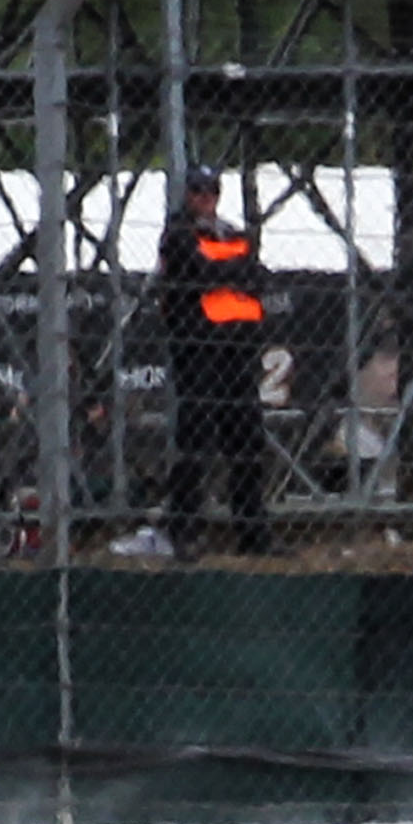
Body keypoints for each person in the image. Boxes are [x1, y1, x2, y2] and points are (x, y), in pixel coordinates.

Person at [155, 170, 273, 557]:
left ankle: (254, 535)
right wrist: (231, 273)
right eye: (198, 191)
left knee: (248, 442)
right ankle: (184, 531)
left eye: (212, 191)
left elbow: (256, 275)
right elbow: (197, 274)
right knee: (197, 439)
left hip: (237, 350)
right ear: (187, 194)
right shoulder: (177, 234)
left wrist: (224, 274)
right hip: (198, 348)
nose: (206, 198)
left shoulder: (231, 233)